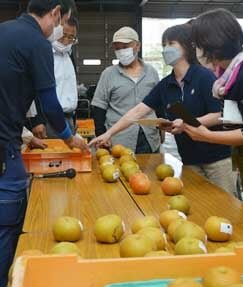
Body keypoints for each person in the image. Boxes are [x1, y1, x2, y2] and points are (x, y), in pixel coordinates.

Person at [89, 23, 235, 195]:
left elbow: (219, 115)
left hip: (216, 158)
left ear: (187, 46)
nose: (165, 49)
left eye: (171, 44)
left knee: (226, 206)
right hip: (188, 158)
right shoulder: (166, 85)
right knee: (200, 206)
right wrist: (108, 133)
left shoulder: (203, 76)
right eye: (163, 45)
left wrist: (187, 123)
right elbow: (136, 112)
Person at [0, 0, 88, 285]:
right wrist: (69, 137)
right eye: (63, 21)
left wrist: (24, 134)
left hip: (10, 135)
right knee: (10, 217)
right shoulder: (37, 43)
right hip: (4, 149)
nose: (60, 29)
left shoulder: (4, 31)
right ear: (55, 12)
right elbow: (50, 104)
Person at [182, 8, 243, 202]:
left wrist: (209, 136)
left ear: (212, 44)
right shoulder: (227, 74)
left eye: (197, 44)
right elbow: (235, 117)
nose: (195, 50)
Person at [91, 26, 161, 153]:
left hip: (149, 138)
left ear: (137, 46)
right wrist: (101, 134)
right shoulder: (108, 74)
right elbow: (99, 108)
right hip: (119, 140)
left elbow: (159, 103)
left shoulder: (151, 72)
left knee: (150, 171)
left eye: (125, 47)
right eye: (117, 48)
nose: (121, 51)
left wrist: (161, 131)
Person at [38, 16, 79, 138]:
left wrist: (74, 119)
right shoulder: (44, 54)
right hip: (48, 121)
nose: (66, 41)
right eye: (63, 35)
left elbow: (69, 89)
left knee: (69, 156)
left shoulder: (68, 56)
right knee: (51, 155)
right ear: (56, 31)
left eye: (71, 37)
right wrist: (37, 120)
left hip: (68, 118)